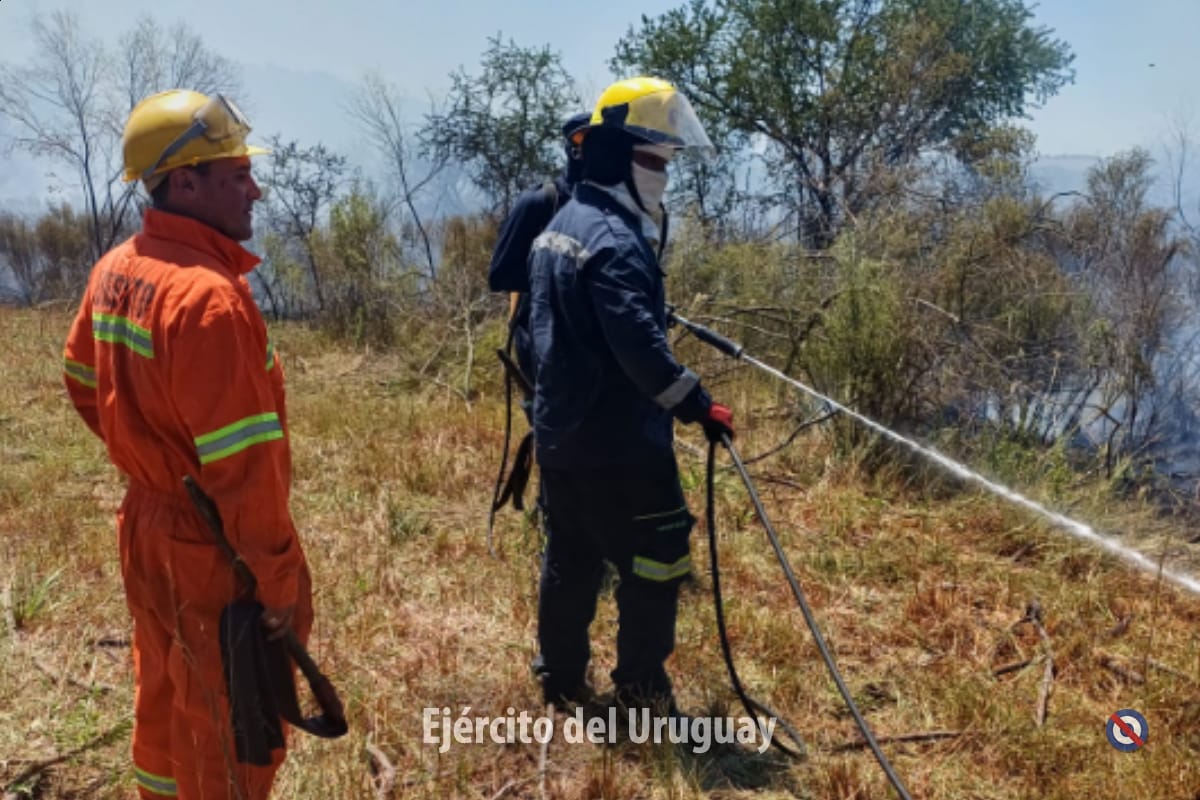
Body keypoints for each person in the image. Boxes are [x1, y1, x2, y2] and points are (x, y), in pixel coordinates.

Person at [62, 89, 312, 799]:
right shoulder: (208, 300)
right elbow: (245, 472)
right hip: (211, 546)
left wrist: (151, 461)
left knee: (166, 690)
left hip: (147, 525)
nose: (255, 190)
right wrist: (278, 583)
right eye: (238, 175)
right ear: (185, 184)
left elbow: (82, 380)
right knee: (230, 722)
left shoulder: (116, 269)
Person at [528, 77, 735, 714]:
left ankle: (560, 679)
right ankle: (642, 691)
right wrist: (699, 405)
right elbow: (640, 352)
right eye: (655, 160)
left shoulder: (563, 223)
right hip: (619, 446)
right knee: (658, 558)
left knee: (571, 558)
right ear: (617, 156)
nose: (663, 177)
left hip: (560, 436)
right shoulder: (616, 241)